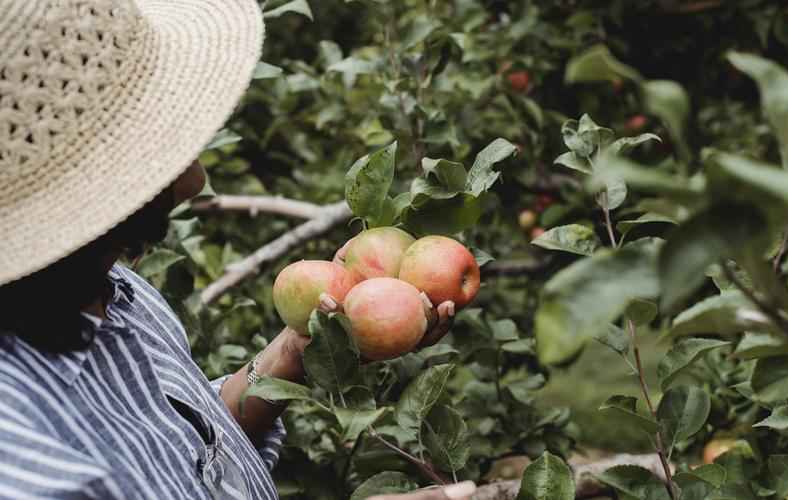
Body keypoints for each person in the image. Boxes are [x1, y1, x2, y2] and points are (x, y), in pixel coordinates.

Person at [0, 0, 475, 499]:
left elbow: (186, 458)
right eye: (155, 150)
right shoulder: (24, 458)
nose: (194, 178)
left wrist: (297, 351)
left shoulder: (109, 285)